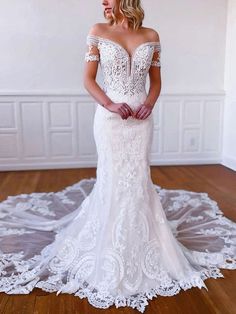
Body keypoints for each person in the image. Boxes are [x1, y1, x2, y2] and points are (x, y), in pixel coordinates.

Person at [0, 1, 236, 313]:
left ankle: (144, 245)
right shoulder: (97, 32)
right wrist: (110, 105)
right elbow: (88, 79)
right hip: (110, 120)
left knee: (138, 179)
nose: (103, 1)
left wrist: (150, 103)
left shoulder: (151, 34)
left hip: (141, 120)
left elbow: (156, 82)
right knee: (112, 177)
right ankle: (107, 248)